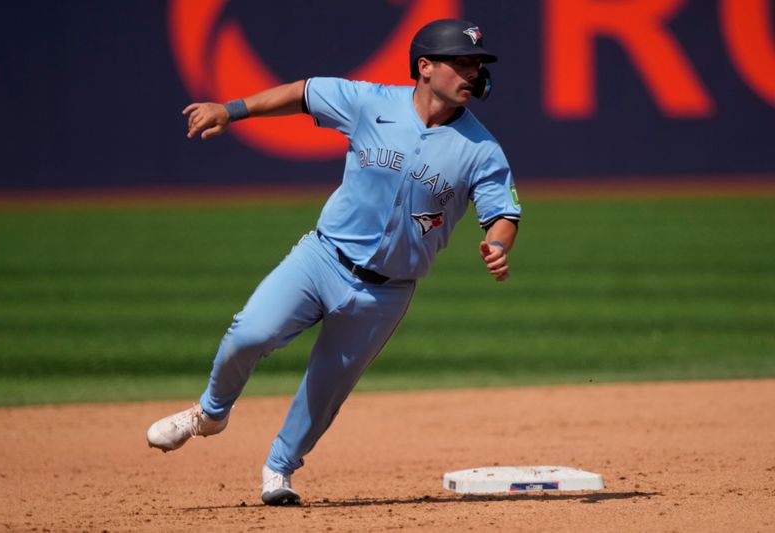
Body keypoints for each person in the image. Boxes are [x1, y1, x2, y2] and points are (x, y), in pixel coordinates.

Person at [146, 18, 522, 506]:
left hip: (386, 290)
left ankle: (278, 470)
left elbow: (504, 212)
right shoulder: (372, 102)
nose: (472, 72)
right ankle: (210, 414)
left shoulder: (481, 148)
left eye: (476, 63)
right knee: (248, 333)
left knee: (325, 389)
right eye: (461, 61)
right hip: (322, 257)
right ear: (425, 67)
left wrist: (498, 243)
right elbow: (303, 93)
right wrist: (231, 110)